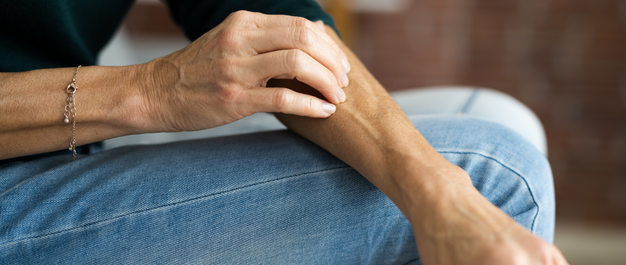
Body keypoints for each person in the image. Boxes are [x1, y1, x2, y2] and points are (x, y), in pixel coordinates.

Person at [0, 0, 568, 264]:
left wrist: (440, 195)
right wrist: (152, 91)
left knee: (493, 134)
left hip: (69, 155)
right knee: (498, 175)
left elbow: (271, 15)